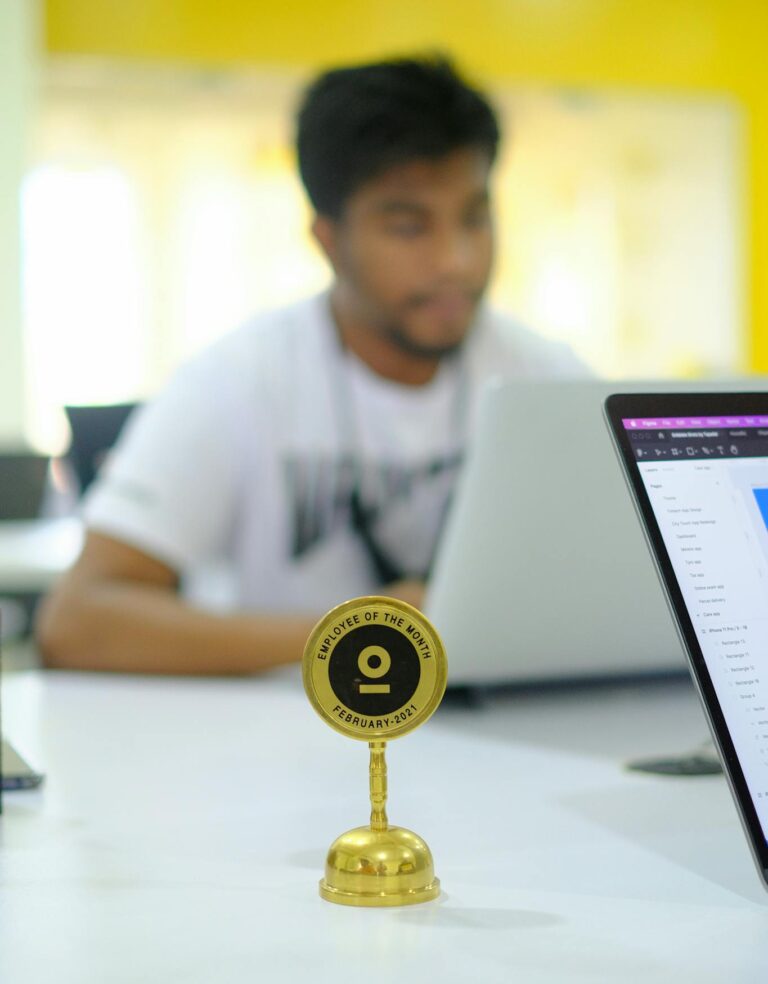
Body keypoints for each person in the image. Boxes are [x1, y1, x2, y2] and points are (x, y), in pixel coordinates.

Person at [37, 55, 588, 676]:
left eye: (474, 218)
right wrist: (365, 635)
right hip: (294, 740)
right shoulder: (239, 379)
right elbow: (76, 623)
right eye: (409, 227)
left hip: (516, 732)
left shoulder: (548, 379)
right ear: (328, 239)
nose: (455, 260)